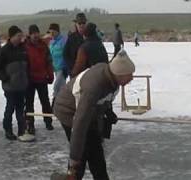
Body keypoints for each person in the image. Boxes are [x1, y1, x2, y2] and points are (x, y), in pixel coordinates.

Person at [53, 50, 135, 180]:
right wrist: (74, 158)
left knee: (96, 155)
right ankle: (70, 176)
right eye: (129, 75)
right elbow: (79, 125)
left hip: (88, 113)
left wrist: (108, 112)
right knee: (82, 156)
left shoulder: (112, 78)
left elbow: (104, 98)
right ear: (119, 74)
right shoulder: (94, 86)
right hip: (69, 111)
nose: (131, 78)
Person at [0, 26, 29, 141]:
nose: (20, 38)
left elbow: (27, 65)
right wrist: (5, 78)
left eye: (21, 36)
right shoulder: (3, 51)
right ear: (11, 37)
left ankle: (21, 129)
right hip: (10, 86)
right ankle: (8, 130)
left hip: (22, 85)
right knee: (10, 108)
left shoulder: (23, 49)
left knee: (20, 109)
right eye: (18, 36)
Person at [25, 24, 54, 134]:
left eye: (37, 33)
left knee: (45, 101)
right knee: (29, 103)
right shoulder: (25, 46)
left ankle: (48, 121)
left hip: (42, 78)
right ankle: (30, 124)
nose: (35, 35)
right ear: (30, 34)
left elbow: (48, 61)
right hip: (29, 79)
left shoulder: (43, 45)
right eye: (33, 34)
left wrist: (50, 75)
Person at [48, 23, 68, 103]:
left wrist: (66, 66)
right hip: (55, 68)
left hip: (63, 68)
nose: (52, 34)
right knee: (62, 87)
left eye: (53, 32)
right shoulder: (52, 42)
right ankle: (63, 102)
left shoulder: (63, 40)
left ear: (58, 31)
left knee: (56, 86)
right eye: (50, 32)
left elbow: (67, 53)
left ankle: (55, 101)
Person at [64, 13, 87, 77]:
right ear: (76, 24)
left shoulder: (90, 37)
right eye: (79, 23)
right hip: (74, 73)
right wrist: (71, 68)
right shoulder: (71, 37)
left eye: (83, 23)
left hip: (87, 74)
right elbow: (65, 54)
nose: (82, 25)